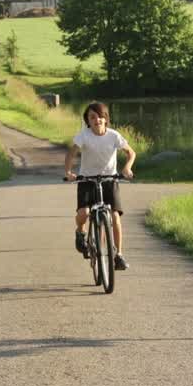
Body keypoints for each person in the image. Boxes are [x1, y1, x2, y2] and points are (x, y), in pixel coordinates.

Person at [65, 101, 135, 271]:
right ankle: (80, 232)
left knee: (115, 216)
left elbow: (131, 153)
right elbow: (71, 154)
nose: (97, 120)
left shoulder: (113, 136)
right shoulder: (83, 136)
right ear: (88, 121)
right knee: (84, 213)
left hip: (109, 180)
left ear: (106, 119)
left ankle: (118, 255)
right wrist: (69, 171)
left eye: (100, 116)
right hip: (87, 180)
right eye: (92, 117)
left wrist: (127, 167)